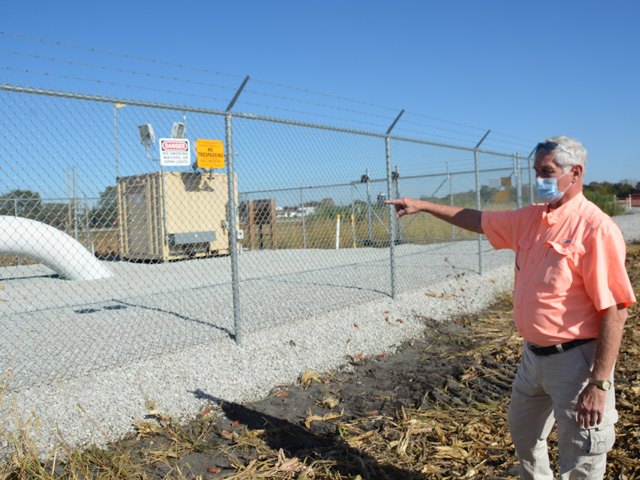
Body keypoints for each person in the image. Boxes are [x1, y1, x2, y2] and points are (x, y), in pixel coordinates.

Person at [385, 136, 636, 479]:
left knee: (582, 457)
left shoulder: (595, 229)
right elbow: (477, 219)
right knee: (525, 436)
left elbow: (615, 310)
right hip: (533, 359)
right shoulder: (531, 219)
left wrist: (600, 382)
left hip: (576, 364)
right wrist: (424, 205)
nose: (539, 180)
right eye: (536, 172)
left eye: (547, 172)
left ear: (575, 173)